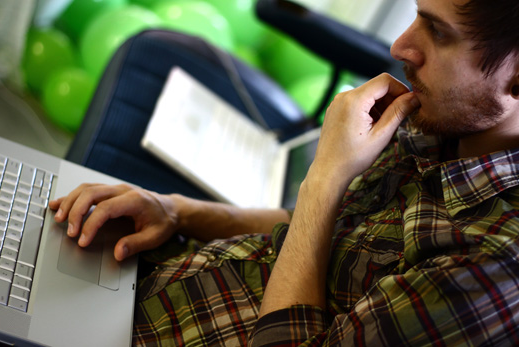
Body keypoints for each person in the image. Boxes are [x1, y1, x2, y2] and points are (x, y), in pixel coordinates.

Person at [49, 0, 519, 345]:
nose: (400, 46)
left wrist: (326, 176)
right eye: (415, 15)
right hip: (140, 284)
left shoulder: (492, 266)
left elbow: (319, 208)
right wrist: (176, 211)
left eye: (437, 32)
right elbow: (313, 230)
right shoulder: (437, 124)